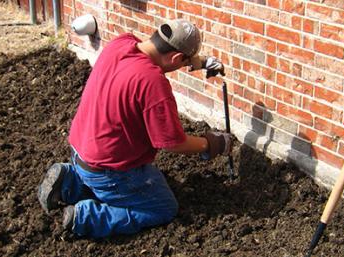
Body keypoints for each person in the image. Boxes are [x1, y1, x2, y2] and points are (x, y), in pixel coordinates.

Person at [37, 19, 232, 238]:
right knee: (162, 207)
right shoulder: (152, 82)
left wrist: (199, 61)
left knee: (138, 180)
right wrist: (212, 143)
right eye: (183, 62)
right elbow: (174, 144)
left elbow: (164, 56)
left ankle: (70, 182)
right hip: (109, 170)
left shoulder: (121, 44)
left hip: (81, 150)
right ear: (177, 57)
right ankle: (86, 217)